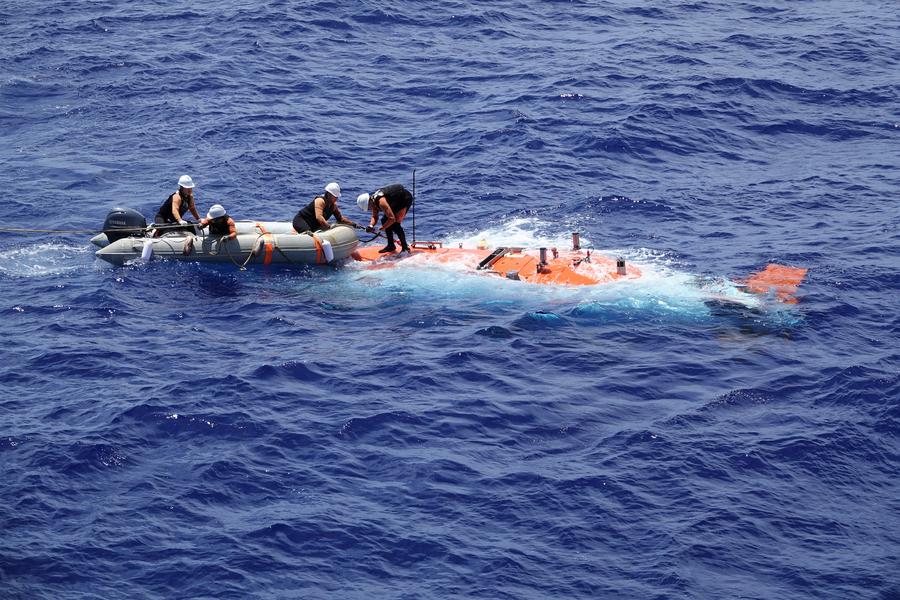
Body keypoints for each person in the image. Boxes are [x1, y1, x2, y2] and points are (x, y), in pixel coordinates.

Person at [356, 183, 413, 253]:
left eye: (368, 208)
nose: (369, 210)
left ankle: (405, 248)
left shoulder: (381, 202)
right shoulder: (373, 201)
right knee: (384, 220)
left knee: (395, 225)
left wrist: (382, 228)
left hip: (404, 199)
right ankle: (391, 245)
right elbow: (374, 216)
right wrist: (371, 226)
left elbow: (392, 219)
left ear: (369, 202)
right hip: (395, 201)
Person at [292, 182, 360, 233]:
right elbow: (319, 217)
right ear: (328, 194)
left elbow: (340, 219)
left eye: (337, 197)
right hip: (301, 221)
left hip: (313, 226)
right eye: (334, 196)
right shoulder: (320, 201)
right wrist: (329, 228)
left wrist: (354, 224)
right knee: (309, 234)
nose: (336, 198)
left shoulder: (333, 206)